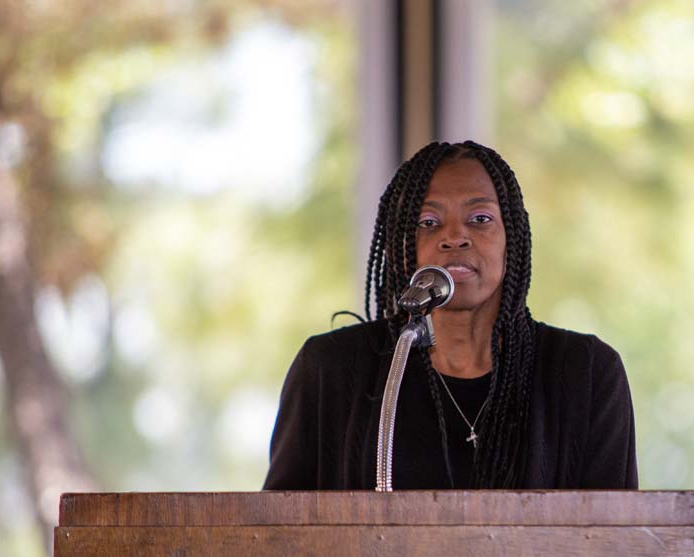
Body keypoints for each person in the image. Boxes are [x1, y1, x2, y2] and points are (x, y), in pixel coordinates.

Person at [263, 141, 637, 490]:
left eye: (480, 218)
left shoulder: (585, 373)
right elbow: (279, 528)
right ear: (400, 247)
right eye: (428, 222)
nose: (455, 236)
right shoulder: (330, 370)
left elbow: (615, 532)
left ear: (513, 238)